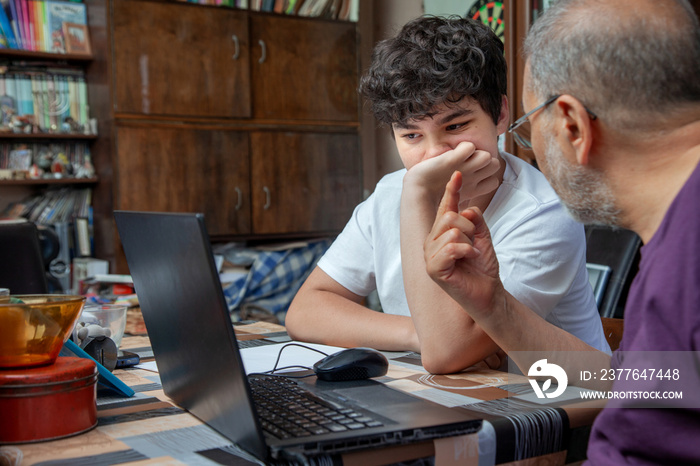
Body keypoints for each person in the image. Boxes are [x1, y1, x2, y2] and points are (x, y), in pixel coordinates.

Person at [424, 0, 700, 463]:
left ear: (571, 124)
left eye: (529, 131)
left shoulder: (688, 255)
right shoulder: (675, 229)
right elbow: (661, 382)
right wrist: (494, 306)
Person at [285, 15, 609, 375]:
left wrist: (418, 196)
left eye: (455, 126)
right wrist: (413, 333)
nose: (434, 155)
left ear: (500, 115)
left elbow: (445, 354)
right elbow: (305, 310)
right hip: (440, 399)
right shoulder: (394, 192)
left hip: (559, 411)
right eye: (411, 136)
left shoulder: (545, 212)